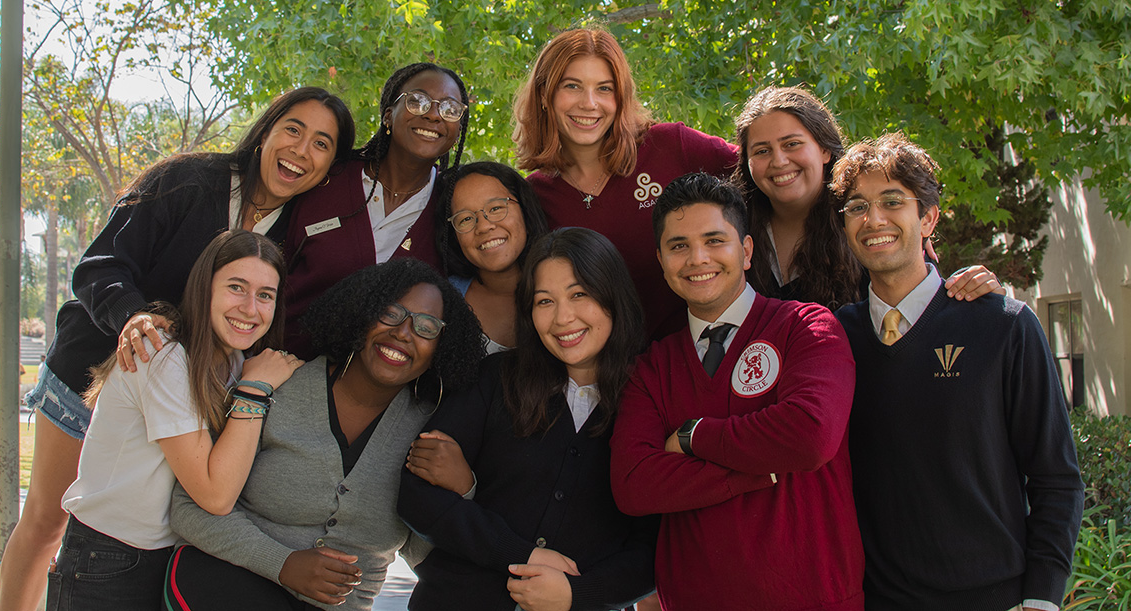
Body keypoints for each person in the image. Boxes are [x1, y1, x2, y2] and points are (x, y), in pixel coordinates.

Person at [0, 87, 354, 611]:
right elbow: (99, 265)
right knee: (50, 519)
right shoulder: (186, 180)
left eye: (322, 144)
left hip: (183, 396)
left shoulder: (300, 231)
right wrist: (134, 317)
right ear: (266, 131)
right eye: (293, 130)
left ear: (330, 167)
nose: (302, 150)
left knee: (149, 518)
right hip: (98, 365)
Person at [829, 133, 1084, 610]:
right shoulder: (835, 339)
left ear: (927, 217)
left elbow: (1056, 477)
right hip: (878, 601)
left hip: (996, 598)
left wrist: (1043, 597)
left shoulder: (1004, 325)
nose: (874, 219)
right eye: (857, 206)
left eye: (892, 201)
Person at [164, 258, 484, 611]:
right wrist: (281, 564)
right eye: (391, 313)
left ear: (441, 346)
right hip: (226, 584)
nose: (404, 333)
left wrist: (462, 488)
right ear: (363, 314)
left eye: (426, 327)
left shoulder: (430, 428)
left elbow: (427, 551)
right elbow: (187, 507)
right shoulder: (279, 386)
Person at [609, 173, 864, 611]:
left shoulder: (808, 327)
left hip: (815, 599)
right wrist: (758, 470)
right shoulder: (652, 367)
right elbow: (634, 485)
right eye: (678, 246)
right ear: (661, 259)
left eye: (714, 240)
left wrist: (694, 437)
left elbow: (809, 436)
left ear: (745, 251)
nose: (697, 258)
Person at [399, 227, 656, 611]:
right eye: (544, 301)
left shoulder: (650, 399)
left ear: (613, 295)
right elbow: (416, 495)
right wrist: (520, 555)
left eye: (579, 294)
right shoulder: (495, 377)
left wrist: (575, 594)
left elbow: (652, 550)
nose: (563, 318)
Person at [47, 230, 303, 610]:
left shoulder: (233, 361)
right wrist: (255, 390)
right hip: (108, 560)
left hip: (171, 557)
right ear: (205, 287)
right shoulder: (162, 356)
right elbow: (215, 495)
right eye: (237, 287)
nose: (251, 309)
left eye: (265, 295)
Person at [516, 27, 739, 340]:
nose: (589, 103)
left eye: (604, 88)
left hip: (710, 352)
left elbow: (767, 172)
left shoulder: (671, 146)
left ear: (621, 97)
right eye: (572, 86)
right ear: (544, 95)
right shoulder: (533, 195)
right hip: (609, 374)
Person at [733, 84, 1000, 309]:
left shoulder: (871, 225)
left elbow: (924, 313)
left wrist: (979, 294)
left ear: (825, 150)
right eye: (762, 151)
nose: (779, 161)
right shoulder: (730, 230)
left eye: (792, 144)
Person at [285, 62, 471, 358]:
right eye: (417, 101)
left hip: (381, 396)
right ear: (388, 115)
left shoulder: (455, 209)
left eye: (450, 109)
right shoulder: (325, 178)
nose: (434, 114)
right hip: (279, 370)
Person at [435, 161, 551, 352]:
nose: (483, 226)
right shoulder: (442, 303)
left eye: (496, 208)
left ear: (525, 210)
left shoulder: (567, 288)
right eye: (465, 219)